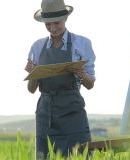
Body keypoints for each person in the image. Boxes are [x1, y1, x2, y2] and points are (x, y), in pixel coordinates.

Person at [25, 0, 96, 159]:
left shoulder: (82, 43)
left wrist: (82, 74)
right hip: (45, 112)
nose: (53, 28)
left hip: (72, 110)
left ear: (65, 19)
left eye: (56, 23)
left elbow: (90, 85)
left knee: (80, 155)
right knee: (46, 155)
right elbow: (31, 89)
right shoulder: (37, 46)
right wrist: (34, 74)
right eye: (48, 24)